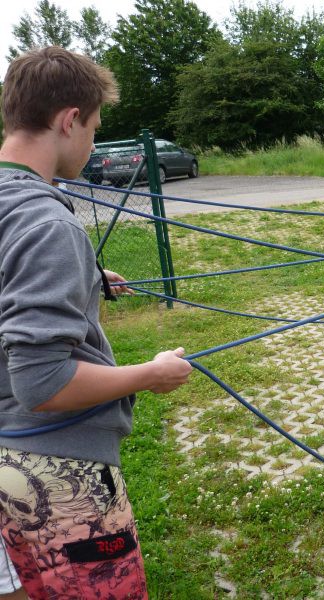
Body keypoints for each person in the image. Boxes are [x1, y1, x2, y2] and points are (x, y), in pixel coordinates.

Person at [0, 47, 193, 598]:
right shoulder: (46, 224)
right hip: (55, 470)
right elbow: (42, 383)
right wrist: (150, 374)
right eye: (94, 128)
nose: (91, 144)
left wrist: (83, 275)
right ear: (69, 120)